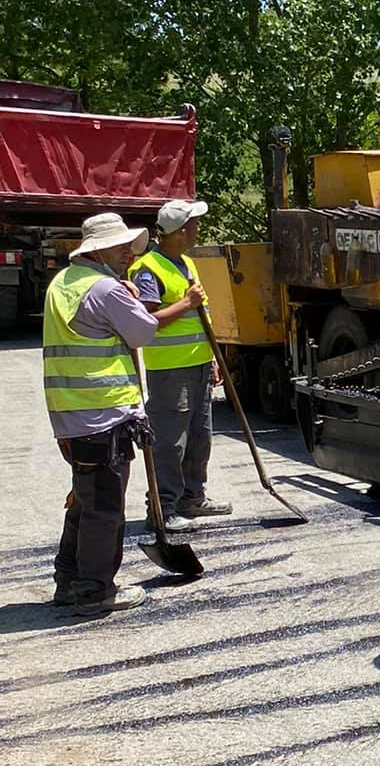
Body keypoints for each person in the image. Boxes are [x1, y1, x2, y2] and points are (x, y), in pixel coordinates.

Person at [42, 210, 206, 619]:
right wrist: (129, 297)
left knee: (84, 498)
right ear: (102, 250)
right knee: (104, 506)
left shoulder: (63, 284)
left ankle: (69, 579)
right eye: (121, 249)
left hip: (71, 412)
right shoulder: (106, 290)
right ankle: (95, 590)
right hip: (104, 412)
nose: (128, 256)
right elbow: (143, 332)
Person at [130, 197, 229, 532]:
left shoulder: (185, 262)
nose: (198, 229)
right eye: (194, 225)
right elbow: (144, 321)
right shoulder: (149, 269)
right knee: (170, 442)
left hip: (199, 363)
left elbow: (200, 315)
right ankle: (162, 508)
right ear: (182, 231)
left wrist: (213, 356)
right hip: (170, 370)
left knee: (201, 437)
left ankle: (192, 496)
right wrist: (187, 303)